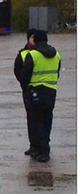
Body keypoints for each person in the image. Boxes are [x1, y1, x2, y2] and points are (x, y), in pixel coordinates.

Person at [19, 30, 61, 163]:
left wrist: (26, 89)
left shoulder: (33, 55)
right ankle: (42, 149)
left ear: (34, 40)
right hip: (51, 91)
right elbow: (57, 72)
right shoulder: (57, 54)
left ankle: (43, 151)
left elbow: (24, 76)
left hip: (35, 91)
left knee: (36, 122)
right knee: (47, 120)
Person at [13, 29, 37, 155]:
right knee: (31, 118)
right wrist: (24, 85)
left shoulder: (43, 53)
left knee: (42, 119)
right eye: (31, 38)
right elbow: (17, 71)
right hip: (28, 91)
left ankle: (42, 146)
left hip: (43, 91)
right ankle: (33, 145)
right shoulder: (22, 54)